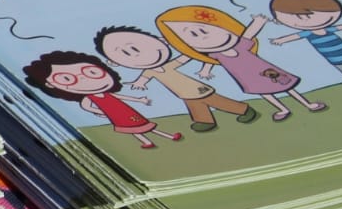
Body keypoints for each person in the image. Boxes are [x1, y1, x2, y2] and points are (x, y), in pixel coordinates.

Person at [156, 5, 324, 121]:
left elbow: (248, 34)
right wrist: (205, 70)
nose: (203, 37)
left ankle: (308, 103)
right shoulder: (214, 54)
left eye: (202, 30)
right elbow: (209, 60)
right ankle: (283, 109)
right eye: (192, 36)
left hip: (267, 70)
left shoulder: (241, 45)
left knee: (287, 86)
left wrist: (258, 22)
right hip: (248, 78)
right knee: (265, 93)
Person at [93, 25, 255, 131]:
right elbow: (144, 78)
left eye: (135, 49)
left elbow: (184, 58)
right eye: (125, 54)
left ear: (161, 41)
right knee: (195, 106)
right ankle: (205, 121)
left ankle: (243, 109)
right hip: (183, 93)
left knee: (216, 101)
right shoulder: (150, 71)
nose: (135, 55)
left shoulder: (168, 65)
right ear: (114, 62)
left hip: (196, 88)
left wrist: (190, 49)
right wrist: (139, 83)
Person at [23, 50, 180, 149]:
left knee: (143, 126)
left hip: (126, 111)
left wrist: (139, 100)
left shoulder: (107, 93)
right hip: (116, 116)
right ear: (50, 84)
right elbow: (86, 106)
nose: (83, 79)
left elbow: (122, 96)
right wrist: (99, 112)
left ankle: (167, 136)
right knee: (134, 130)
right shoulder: (89, 97)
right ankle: (148, 142)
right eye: (67, 78)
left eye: (92, 72)